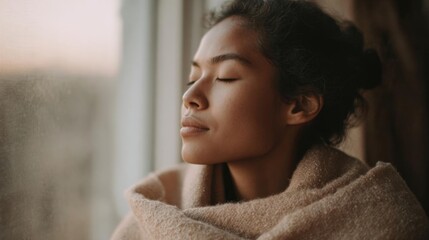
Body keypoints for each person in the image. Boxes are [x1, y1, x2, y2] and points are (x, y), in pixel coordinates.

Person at [111, 0, 429, 239]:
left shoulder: (380, 220)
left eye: (225, 77)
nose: (190, 96)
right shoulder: (153, 216)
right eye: (192, 77)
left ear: (299, 105)